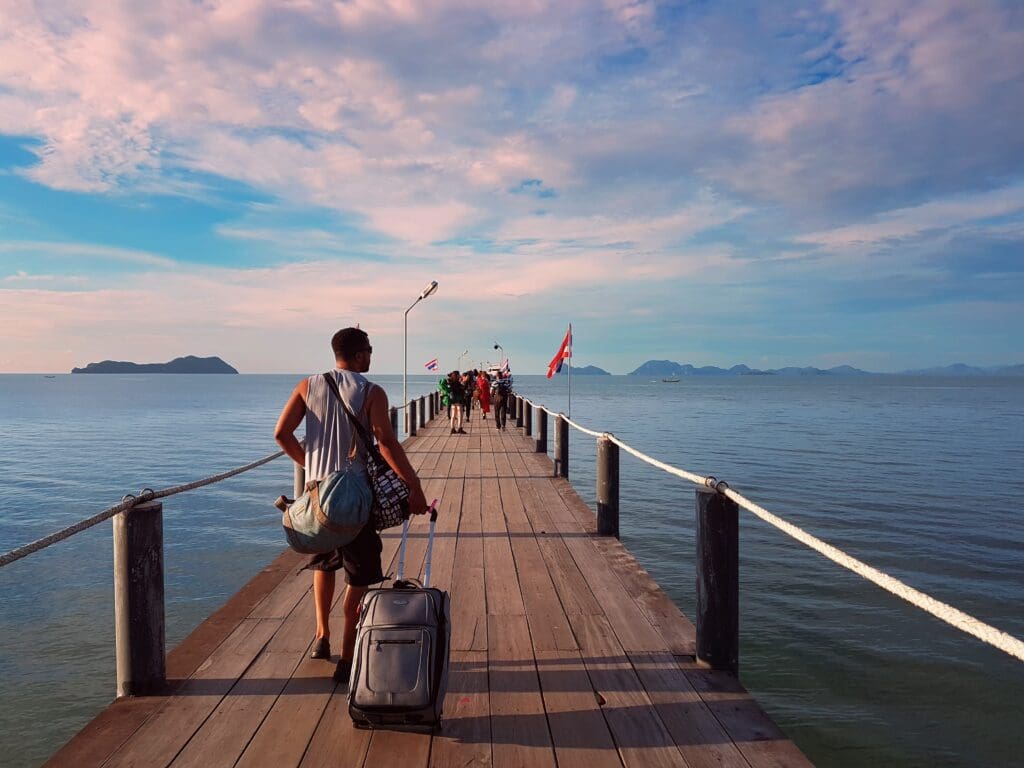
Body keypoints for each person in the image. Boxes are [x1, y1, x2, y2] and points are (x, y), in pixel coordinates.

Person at [274, 327, 429, 683]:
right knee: (358, 575)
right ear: (359, 355)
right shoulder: (371, 392)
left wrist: (310, 466)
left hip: (316, 496)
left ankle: (321, 636)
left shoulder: (306, 385)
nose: (371, 356)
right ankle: (347, 654)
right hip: (354, 498)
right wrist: (413, 486)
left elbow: (281, 434)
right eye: (369, 351)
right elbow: (386, 442)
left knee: (324, 563)